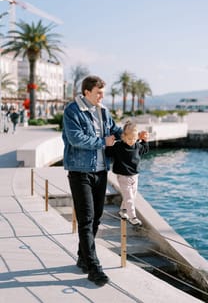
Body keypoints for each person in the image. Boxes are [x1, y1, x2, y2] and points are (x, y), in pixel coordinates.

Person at [62, 75, 122, 287]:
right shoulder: (72, 111)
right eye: (98, 92)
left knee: (96, 217)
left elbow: (116, 131)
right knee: (86, 219)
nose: (101, 96)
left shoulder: (103, 111)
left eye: (102, 92)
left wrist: (134, 134)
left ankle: (82, 257)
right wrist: (101, 142)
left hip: (101, 171)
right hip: (80, 172)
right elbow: (75, 138)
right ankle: (94, 267)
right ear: (87, 92)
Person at [105, 120, 149, 226]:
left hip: (135, 176)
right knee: (129, 197)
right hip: (123, 176)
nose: (132, 141)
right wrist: (109, 145)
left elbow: (145, 150)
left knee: (132, 195)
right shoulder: (118, 146)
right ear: (123, 136)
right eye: (129, 138)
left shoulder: (137, 146)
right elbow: (108, 153)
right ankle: (133, 217)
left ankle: (123, 211)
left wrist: (145, 140)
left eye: (134, 139)